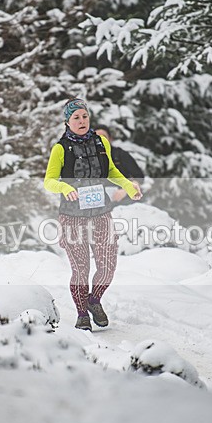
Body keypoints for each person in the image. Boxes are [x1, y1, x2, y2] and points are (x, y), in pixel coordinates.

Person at [44, 98, 142, 331]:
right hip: (72, 215)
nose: (81, 121)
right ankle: (81, 315)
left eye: (84, 116)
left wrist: (128, 186)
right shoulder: (60, 148)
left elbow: (111, 171)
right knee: (81, 268)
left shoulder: (101, 143)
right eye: (76, 117)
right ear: (67, 122)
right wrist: (65, 188)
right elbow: (49, 181)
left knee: (108, 265)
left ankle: (94, 300)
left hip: (101, 212)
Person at [94, 127, 145, 205]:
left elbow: (139, 177)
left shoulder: (120, 154)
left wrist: (125, 190)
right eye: (98, 137)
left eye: (104, 136)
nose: (101, 140)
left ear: (110, 139)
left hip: (124, 202)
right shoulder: (86, 157)